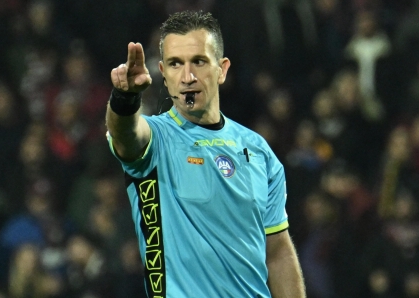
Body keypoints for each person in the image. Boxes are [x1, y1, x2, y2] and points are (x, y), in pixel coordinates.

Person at [105, 10, 306, 298]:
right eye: (175, 64)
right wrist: (124, 98)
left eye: (198, 61)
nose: (187, 76)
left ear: (222, 69)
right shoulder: (156, 139)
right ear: (163, 73)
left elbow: (278, 252)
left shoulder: (258, 151)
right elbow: (126, 135)